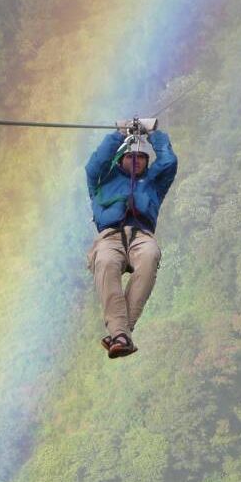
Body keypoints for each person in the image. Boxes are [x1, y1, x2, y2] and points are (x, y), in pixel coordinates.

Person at [85, 126, 177, 358]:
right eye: (130, 157)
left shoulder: (153, 183)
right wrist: (118, 135)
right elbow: (94, 164)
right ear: (120, 159)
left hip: (141, 235)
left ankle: (120, 334)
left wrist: (154, 134)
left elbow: (169, 162)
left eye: (142, 157)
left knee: (150, 255)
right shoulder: (101, 180)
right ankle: (121, 334)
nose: (136, 161)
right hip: (109, 236)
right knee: (105, 262)